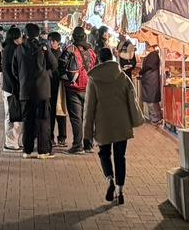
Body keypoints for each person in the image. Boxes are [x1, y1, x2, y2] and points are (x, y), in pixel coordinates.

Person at [83, 47, 144, 206]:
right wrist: (134, 119)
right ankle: (120, 190)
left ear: (99, 60)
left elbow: (89, 107)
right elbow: (132, 99)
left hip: (103, 123)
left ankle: (109, 178)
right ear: (112, 58)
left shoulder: (94, 79)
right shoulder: (123, 76)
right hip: (121, 123)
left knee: (104, 153)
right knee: (120, 157)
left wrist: (87, 134)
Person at [13, 22, 54, 159]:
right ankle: (43, 151)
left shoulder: (19, 49)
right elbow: (53, 64)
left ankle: (27, 150)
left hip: (25, 91)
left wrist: (22, 79)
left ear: (25, 33)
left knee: (28, 121)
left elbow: (14, 70)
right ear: (38, 34)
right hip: (42, 90)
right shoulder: (43, 48)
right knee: (42, 121)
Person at [64, 26, 97, 153]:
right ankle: (88, 145)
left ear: (73, 37)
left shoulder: (69, 49)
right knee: (88, 117)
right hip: (89, 87)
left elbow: (61, 65)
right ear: (84, 36)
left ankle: (77, 145)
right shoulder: (91, 51)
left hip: (73, 88)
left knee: (76, 117)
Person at [0, 26, 23, 151]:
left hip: (10, 86)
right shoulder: (12, 49)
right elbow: (11, 71)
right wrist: (16, 85)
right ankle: (10, 143)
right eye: (20, 35)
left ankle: (15, 141)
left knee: (15, 114)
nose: (22, 38)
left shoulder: (9, 48)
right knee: (12, 114)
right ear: (16, 38)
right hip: (12, 88)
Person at [46, 32, 69, 147]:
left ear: (58, 42)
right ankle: (50, 137)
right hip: (49, 87)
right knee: (50, 113)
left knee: (61, 112)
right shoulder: (47, 53)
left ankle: (62, 137)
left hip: (60, 86)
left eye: (54, 41)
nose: (52, 43)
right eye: (51, 40)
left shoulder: (63, 54)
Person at [138, 49, 163, 124]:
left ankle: (155, 118)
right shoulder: (153, 55)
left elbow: (148, 66)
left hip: (151, 80)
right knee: (153, 101)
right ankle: (157, 117)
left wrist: (140, 72)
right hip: (150, 80)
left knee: (152, 101)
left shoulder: (153, 55)